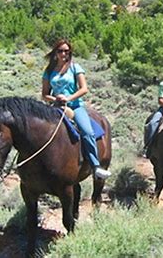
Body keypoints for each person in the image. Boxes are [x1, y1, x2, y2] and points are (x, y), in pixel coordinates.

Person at [42, 39, 111, 180]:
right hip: (56, 107)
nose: (63, 53)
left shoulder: (75, 67)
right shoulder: (49, 71)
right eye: (60, 50)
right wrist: (55, 99)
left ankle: (95, 166)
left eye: (66, 51)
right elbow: (44, 94)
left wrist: (69, 98)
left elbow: (84, 88)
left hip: (75, 106)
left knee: (87, 131)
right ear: (55, 52)